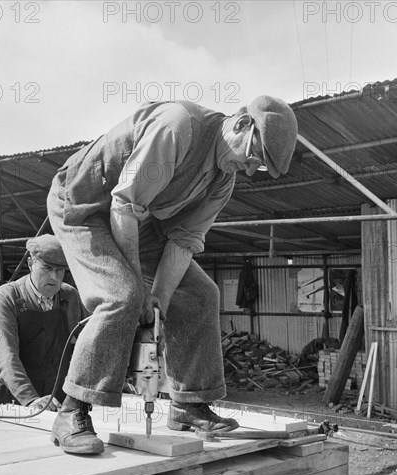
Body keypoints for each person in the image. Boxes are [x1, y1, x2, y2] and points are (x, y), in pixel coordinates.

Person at [46, 96, 298, 455]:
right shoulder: (178, 127)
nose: (249, 168)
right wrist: (139, 290)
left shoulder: (222, 181)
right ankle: (71, 410)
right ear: (242, 124)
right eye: (254, 156)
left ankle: (188, 404)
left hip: (138, 219)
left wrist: (159, 302)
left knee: (199, 294)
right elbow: (123, 205)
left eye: (257, 167)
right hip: (84, 206)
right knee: (122, 295)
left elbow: (183, 241)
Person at [0, 234, 88, 411]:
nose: (54, 277)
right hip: (12, 396)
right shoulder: (6, 298)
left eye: (60, 270)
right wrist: (30, 399)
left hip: (55, 397)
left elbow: (86, 345)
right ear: (31, 264)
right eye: (47, 268)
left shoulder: (70, 297)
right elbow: (4, 355)